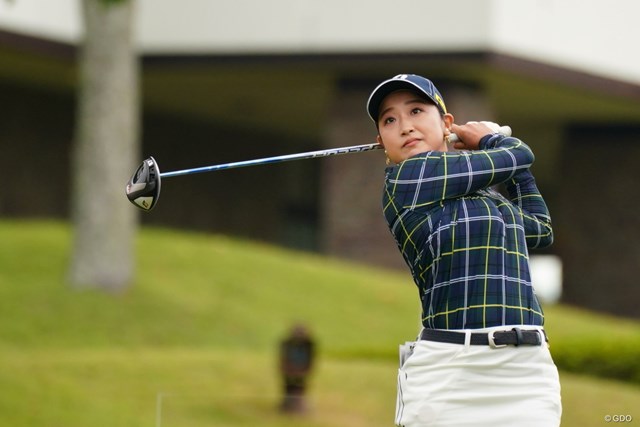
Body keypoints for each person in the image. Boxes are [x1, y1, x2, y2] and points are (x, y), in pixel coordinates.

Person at [365, 74, 562, 426]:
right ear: (382, 142)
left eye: (416, 111)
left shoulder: (486, 198)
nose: (405, 126)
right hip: (450, 370)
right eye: (390, 120)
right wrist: (490, 139)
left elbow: (541, 229)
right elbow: (519, 153)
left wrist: (512, 166)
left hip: (526, 372)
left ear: (446, 124)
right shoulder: (408, 179)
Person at [278, 323, 316, 413]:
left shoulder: (309, 344)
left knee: (300, 388)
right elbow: (283, 356)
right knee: (288, 387)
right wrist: (286, 368)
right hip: (289, 370)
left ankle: (298, 406)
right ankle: (287, 406)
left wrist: (306, 370)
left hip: (302, 370)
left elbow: (311, 358)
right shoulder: (287, 343)